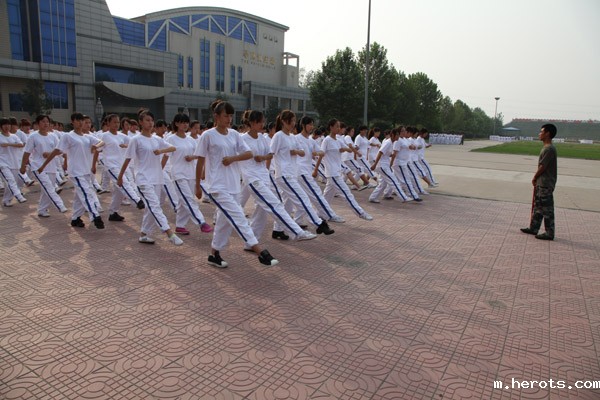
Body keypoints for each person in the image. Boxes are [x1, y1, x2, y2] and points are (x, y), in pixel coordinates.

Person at [194, 100, 278, 268]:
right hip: (217, 186)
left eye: (231, 116)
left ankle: (214, 254)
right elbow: (200, 161)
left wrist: (233, 158)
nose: (229, 119)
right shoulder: (208, 135)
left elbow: (248, 153)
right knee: (238, 216)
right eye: (226, 115)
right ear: (216, 116)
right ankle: (259, 251)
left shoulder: (234, 134)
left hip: (233, 185)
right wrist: (197, 185)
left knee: (224, 222)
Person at [240, 109, 316, 242]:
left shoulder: (262, 138)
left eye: (263, 121)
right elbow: (235, 156)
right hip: (252, 178)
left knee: (261, 211)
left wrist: (263, 158)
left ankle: (250, 241)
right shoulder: (242, 139)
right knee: (275, 204)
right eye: (259, 122)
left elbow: (270, 154)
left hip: (264, 176)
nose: (262, 124)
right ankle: (297, 232)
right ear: (251, 123)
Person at [117, 110, 183, 246]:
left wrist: (161, 151)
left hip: (157, 178)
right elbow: (127, 159)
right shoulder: (136, 140)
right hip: (143, 179)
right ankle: (169, 232)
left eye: (152, 120)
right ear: (140, 122)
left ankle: (144, 234)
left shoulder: (156, 139)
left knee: (151, 207)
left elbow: (173, 148)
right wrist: (120, 176)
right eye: (147, 120)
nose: (150, 123)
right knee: (154, 206)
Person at [270, 110, 335, 236]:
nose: (293, 123)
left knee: (287, 203)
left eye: (294, 121)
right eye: (291, 121)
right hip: (284, 174)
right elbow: (271, 153)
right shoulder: (278, 136)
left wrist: (296, 151)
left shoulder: (291, 137)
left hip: (292, 173)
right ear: (283, 121)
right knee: (302, 198)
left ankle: (277, 229)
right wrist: (265, 172)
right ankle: (319, 223)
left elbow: (300, 152)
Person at [38, 113, 105, 229]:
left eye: (82, 120)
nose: (80, 123)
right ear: (72, 122)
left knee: (80, 196)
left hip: (86, 171)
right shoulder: (68, 136)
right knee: (86, 193)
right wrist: (43, 165)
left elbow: (102, 142)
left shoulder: (87, 137)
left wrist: (96, 146)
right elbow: (57, 151)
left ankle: (75, 219)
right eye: (78, 120)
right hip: (76, 171)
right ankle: (95, 216)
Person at [164, 112, 212, 235]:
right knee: (188, 199)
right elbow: (165, 156)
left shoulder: (191, 140)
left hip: (191, 174)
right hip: (178, 174)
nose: (185, 125)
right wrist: (159, 171)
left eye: (186, 122)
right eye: (182, 122)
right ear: (176, 124)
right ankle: (201, 222)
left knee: (183, 201)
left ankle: (180, 226)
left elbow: (200, 154)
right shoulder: (170, 139)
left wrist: (192, 158)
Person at [92, 114, 145, 223]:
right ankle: (137, 201)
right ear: (108, 123)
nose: (116, 124)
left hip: (122, 165)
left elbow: (133, 143)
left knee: (119, 191)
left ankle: (113, 212)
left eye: (118, 122)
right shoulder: (104, 136)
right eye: (114, 122)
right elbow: (97, 149)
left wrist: (126, 146)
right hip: (111, 166)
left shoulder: (122, 136)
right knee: (124, 183)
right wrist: (93, 165)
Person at [319, 119, 373, 221]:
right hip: (332, 173)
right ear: (331, 127)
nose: (338, 128)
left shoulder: (338, 140)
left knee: (327, 196)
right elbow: (321, 153)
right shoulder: (326, 140)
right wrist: (316, 168)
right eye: (336, 126)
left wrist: (346, 149)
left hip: (336, 172)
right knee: (346, 193)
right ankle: (360, 212)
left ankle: (321, 213)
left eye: (339, 126)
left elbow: (348, 149)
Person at [20, 115, 68, 217]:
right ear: (38, 124)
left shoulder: (53, 136)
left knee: (46, 188)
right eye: (43, 121)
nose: (45, 124)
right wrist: (23, 166)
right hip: (38, 167)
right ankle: (60, 205)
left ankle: (42, 210)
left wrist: (50, 154)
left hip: (51, 167)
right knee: (48, 186)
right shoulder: (33, 136)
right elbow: (27, 152)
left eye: (47, 122)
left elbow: (60, 150)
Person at [520, 123, 558, 241]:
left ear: (547, 134)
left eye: (542, 131)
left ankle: (549, 232)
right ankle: (534, 228)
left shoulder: (549, 149)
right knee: (538, 207)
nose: (539, 134)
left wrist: (534, 177)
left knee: (547, 209)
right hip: (541, 183)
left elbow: (543, 166)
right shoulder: (546, 148)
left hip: (546, 183)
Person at [0, 117, 27, 206]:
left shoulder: (14, 136)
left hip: (14, 163)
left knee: (13, 182)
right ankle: (19, 196)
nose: (7, 126)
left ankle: (6, 200)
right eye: (4, 125)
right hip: (3, 163)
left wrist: (8, 144)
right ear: (1, 126)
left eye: (8, 124)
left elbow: (21, 144)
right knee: (10, 180)